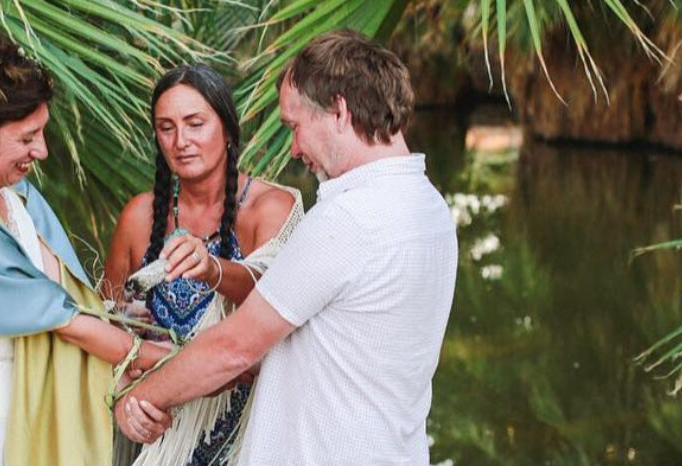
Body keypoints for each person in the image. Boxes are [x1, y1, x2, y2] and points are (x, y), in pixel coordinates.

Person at [113, 29, 459, 465]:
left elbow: (235, 347)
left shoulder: (349, 219)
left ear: (338, 111)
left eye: (295, 127)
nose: (294, 149)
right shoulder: (429, 207)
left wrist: (141, 399)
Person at [0, 35, 170, 466]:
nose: (40, 150)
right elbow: (65, 322)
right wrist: (163, 359)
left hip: (14, 403)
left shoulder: (16, 195)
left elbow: (65, 292)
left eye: (41, 133)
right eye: (27, 138)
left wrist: (120, 321)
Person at [101, 64, 301, 466]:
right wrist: (127, 395)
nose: (181, 141)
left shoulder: (271, 207)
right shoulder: (141, 217)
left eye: (195, 123)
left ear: (227, 129)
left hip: (250, 433)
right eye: (166, 127)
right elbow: (107, 328)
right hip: (161, 432)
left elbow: (275, 290)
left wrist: (214, 270)